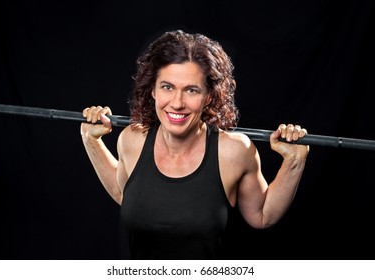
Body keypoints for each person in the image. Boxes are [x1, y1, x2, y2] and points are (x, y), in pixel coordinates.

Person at [80, 30, 310, 259]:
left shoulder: (234, 151)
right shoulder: (132, 139)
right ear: (153, 89)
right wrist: (92, 142)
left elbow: (262, 215)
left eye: (191, 90)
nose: (177, 103)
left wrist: (294, 161)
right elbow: (126, 194)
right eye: (167, 87)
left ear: (209, 95)